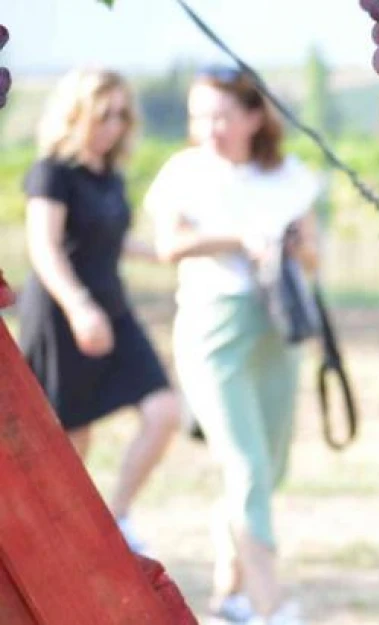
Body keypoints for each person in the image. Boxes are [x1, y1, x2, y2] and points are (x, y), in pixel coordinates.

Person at [144, 66, 321, 625]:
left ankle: (230, 597)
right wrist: (242, 240)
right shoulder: (185, 172)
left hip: (276, 329)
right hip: (212, 329)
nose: (209, 127)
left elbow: (315, 256)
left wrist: (290, 245)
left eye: (221, 115)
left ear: (252, 116)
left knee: (268, 468)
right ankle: (271, 604)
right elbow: (169, 245)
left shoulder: (288, 175)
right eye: (200, 115)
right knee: (244, 466)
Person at [18, 67, 181, 555]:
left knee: (164, 409)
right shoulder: (52, 172)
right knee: (71, 441)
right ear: (76, 114)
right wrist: (79, 307)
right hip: (64, 311)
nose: (113, 125)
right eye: (103, 114)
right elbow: (44, 249)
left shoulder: (108, 175)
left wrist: (167, 251)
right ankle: (54, 541)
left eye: (121, 115)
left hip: (113, 307)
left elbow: (107, 240)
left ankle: (116, 519)